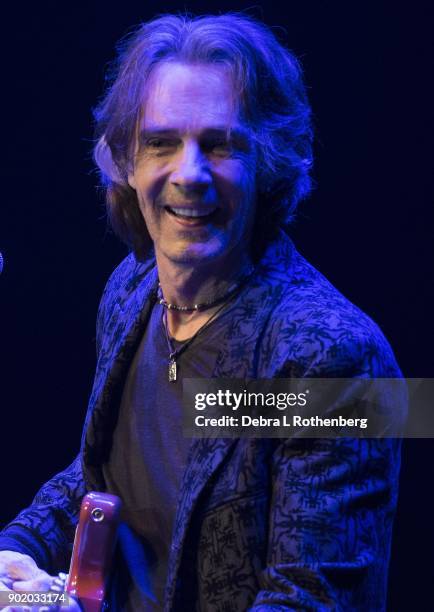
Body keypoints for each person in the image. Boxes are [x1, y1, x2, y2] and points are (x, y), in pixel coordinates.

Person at [0, 13, 402, 611]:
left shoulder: (340, 365)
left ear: (268, 164)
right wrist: (17, 551)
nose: (189, 174)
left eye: (219, 145)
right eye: (161, 142)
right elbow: (103, 470)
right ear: (125, 164)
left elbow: (305, 602)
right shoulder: (131, 289)